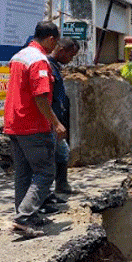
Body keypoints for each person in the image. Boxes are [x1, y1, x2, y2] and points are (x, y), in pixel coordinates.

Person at [4, 21, 66, 238]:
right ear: (50, 39)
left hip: (14, 123)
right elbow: (40, 96)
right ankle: (23, 218)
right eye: (55, 43)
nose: (55, 47)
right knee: (45, 172)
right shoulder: (39, 60)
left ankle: (26, 215)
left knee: (23, 173)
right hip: (32, 124)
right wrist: (56, 123)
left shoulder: (19, 56)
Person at [48, 37, 80, 195]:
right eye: (71, 55)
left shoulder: (55, 67)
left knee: (62, 152)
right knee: (52, 157)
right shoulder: (48, 67)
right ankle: (49, 193)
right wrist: (55, 122)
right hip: (49, 121)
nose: (71, 59)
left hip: (56, 118)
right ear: (61, 50)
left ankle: (61, 185)